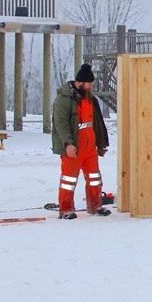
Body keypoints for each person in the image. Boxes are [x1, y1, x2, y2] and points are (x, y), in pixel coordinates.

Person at [51, 64, 110, 220]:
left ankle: (95, 205)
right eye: (89, 83)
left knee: (94, 177)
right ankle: (66, 208)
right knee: (68, 180)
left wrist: (101, 143)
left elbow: (98, 123)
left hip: (90, 147)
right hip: (74, 146)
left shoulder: (92, 100)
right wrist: (68, 144)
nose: (91, 86)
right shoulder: (64, 100)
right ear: (80, 82)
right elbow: (61, 123)